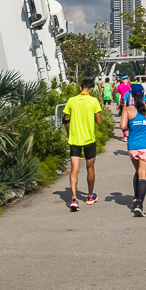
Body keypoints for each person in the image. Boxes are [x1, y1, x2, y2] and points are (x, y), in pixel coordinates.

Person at [62, 78, 104, 210]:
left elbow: (66, 119)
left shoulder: (71, 101)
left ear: (80, 88)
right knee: (90, 168)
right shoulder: (93, 101)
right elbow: (99, 122)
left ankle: (74, 199)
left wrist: (68, 132)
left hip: (74, 140)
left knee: (74, 169)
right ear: (91, 90)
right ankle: (90, 196)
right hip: (89, 140)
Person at [120, 84, 146, 216]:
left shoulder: (127, 110)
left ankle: (136, 197)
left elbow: (123, 126)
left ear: (131, 95)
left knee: (137, 171)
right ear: (143, 94)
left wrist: (132, 123)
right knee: (143, 175)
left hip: (133, 146)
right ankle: (140, 203)